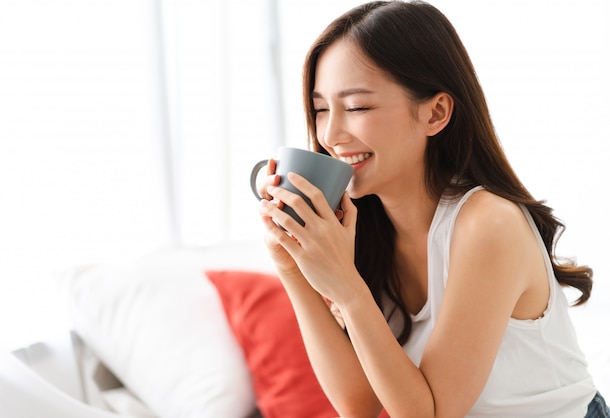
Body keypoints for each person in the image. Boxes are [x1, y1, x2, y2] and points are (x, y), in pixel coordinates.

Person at [257, 1, 609, 417]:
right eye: (320, 109)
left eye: (356, 107)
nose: (330, 134)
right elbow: (360, 406)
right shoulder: (366, 226)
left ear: (436, 112)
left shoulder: (488, 224)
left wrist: (346, 286)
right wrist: (292, 266)